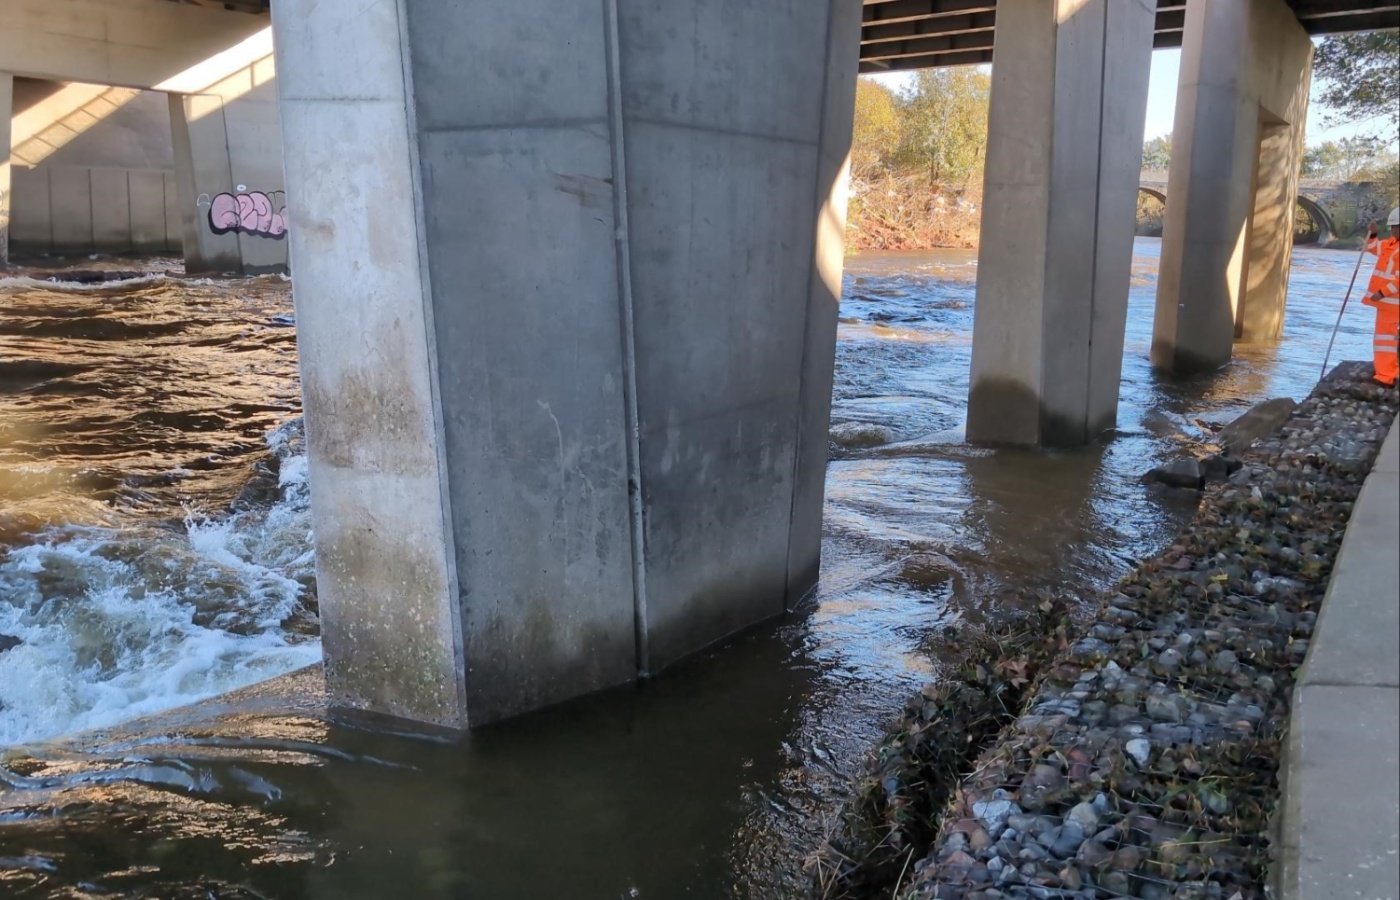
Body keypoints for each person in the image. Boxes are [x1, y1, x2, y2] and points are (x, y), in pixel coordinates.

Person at [1362, 207, 1399, 387]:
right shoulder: (1390, 244)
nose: (1392, 230)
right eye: (1392, 227)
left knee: (1385, 340)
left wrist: (1382, 292)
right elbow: (1372, 248)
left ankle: (1386, 376)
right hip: (1386, 304)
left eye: (1395, 227)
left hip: (1392, 303)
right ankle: (1386, 372)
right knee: (1385, 339)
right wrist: (1373, 234)